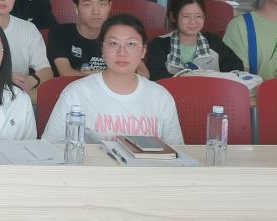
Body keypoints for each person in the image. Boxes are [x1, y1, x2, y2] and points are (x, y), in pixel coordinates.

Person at [44, 15, 184, 146]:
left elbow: (177, 152)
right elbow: (51, 146)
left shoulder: (161, 97)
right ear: (102, 50)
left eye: (131, 44)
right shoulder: (76, 93)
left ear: (143, 51)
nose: (121, 52)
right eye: (113, 43)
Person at [147, 0, 242, 80]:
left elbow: (236, 67)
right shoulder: (159, 44)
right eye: (186, 16)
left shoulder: (213, 42)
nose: (193, 22)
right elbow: (155, 76)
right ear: (173, 16)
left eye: (198, 16)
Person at [47, 0, 112, 77]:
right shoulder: (60, 33)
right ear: (76, 7)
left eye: (102, 4)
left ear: (110, 6)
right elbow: (66, 74)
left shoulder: (118, 35)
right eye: (88, 4)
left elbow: (136, 72)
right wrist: (107, 76)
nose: (96, 11)